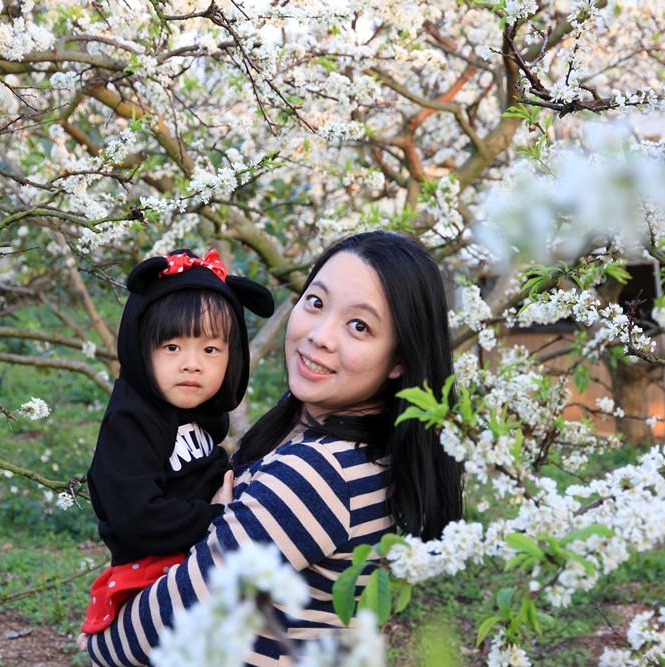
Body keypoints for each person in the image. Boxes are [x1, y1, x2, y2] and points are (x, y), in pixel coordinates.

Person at [86, 231, 463, 666]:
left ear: (400, 358)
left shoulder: (318, 475)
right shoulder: (346, 443)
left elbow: (152, 633)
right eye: (316, 303)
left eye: (359, 326)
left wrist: (102, 639)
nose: (321, 335)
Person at [81, 248, 274, 636]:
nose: (192, 363)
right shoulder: (131, 422)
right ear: (141, 349)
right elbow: (137, 515)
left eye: (210, 349)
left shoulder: (202, 416)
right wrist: (218, 519)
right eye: (172, 347)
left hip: (193, 556)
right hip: (152, 571)